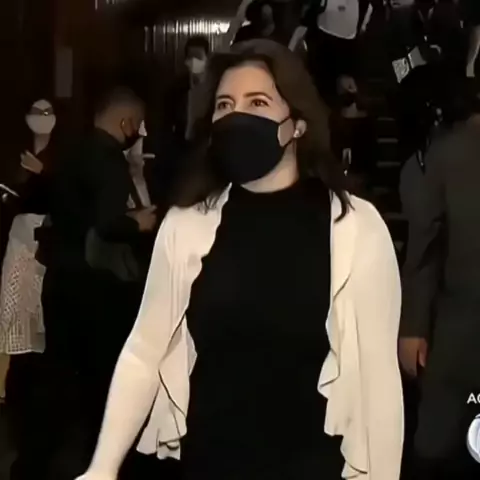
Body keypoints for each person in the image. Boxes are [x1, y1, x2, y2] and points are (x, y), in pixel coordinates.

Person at [78, 40, 403, 480]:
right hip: (209, 464)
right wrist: (102, 468)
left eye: (258, 102)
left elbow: (380, 381)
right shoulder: (187, 224)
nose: (237, 116)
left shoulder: (354, 227)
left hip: (312, 467)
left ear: (297, 125)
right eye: (224, 105)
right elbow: (144, 351)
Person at [10, 87, 158, 480]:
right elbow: (108, 225)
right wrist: (138, 222)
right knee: (101, 382)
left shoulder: (69, 152)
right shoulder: (109, 162)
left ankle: (34, 462)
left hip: (60, 278)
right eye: (138, 123)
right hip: (97, 287)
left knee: (58, 378)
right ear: (125, 122)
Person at [399, 82, 480, 479]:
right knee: (440, 449)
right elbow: (425, 248)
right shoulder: (451, 153)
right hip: (458, 331)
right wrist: (413, 326)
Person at [329, 74, 377, 196]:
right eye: (343, 89)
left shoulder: (367, 121)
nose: (347, 92)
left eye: (350, 87)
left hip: (363, 175)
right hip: (349, 178)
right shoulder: (335, 121)